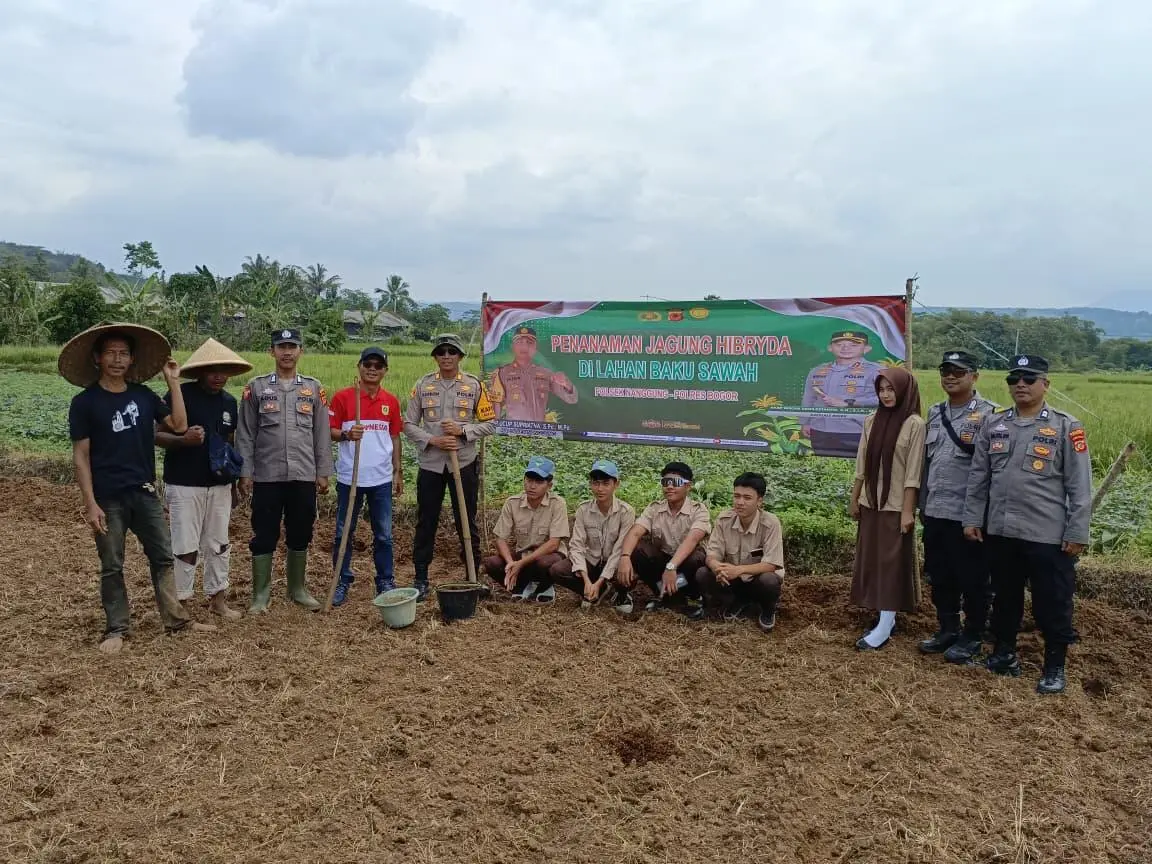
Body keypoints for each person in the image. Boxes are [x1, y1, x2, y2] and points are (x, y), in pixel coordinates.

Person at [62, 323, 215, 654]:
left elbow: (179, 425)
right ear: (97, 358)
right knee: (112, 564)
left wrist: (173, 382)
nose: (118, 360)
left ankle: (177, 620)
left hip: (144, 491)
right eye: (111, 353)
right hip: (108, 496)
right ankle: (116, 628)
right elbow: (81, 457)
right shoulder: (85, 403)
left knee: (162, 556)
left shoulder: (143, 396)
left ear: (132, 359)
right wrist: (90, 503)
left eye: (124, 354)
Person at [963, 355, 1092, 695]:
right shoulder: (996, 424)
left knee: (1052, 601)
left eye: (1029, 379)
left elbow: (1080, 486)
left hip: (1047, 535)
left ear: (1045, 384)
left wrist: (1077, 531)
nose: (1020, 384)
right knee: (1005, 598)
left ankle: (1054, 666)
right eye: (1014, 379)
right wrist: (973, 518)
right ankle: (1004, 654)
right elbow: (979, 477)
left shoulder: (1067, 427)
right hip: (1001, 531)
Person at [235, 328, 333, 613]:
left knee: (301, 531)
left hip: (303, 474)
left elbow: (321, 434)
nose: (287, 352)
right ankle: (261, 595)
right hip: (267, 475)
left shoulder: (313, 389)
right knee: (264, 533)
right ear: (272, 351)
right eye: (281, 347)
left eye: (292, 346)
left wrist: (323, 471)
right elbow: (246, 433)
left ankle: (297, 589)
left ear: (301, 350)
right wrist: (245, 471)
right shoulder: (256, 387)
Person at [155, 337, 253, 621]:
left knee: (219, 543)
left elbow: (230, 444)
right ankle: (181, 602)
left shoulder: (229, 402)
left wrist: (234, 484)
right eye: (212, 370)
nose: (219, 376)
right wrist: (183, 440)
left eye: (223, 371)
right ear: (199, 371)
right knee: (185, 545)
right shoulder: (179, 395)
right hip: (184, 484)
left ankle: (218, 599)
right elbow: (155, 435)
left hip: (219, 485)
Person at [918, 350, 998, 662]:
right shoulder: (935, 413)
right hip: (936, 510)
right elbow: (928, 463)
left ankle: (973, 634)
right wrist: (922, 505)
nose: (950, 377)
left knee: (974, 579)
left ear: (974, 377)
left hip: (968, 516)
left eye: (959, 372)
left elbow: (991, 470)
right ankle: (947, 628)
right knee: (940, 576)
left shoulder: (991, 415)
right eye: (945, 371)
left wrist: (977, 516)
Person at [404, 334, 496, 599]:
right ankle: (421, 577)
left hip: (464, 464)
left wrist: (463, 431)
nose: (446, 356)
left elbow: (490, 422)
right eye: (441, 352)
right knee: (426, 521)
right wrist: (432, 439)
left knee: (467, 520)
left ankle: (473, 576)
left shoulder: (474, 386)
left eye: (451, 352)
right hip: (431, 465)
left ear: (460, 357)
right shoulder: (423, 385)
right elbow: (408, 424)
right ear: (435, 356)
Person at [849, 366, 925, 650]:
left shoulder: (914, 424)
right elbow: (861, 463)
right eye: (881, 390)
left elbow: (913, 473)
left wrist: (908, 511)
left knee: (891, 564)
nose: (886, 395)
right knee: (872, 559)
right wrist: (855, 497)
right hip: (871, 502)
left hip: (895, 506)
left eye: (891, 389)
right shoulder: (872, 420)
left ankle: (885, 623)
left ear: (903, 390)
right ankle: (884, 616)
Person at [327, 347, 404, 606]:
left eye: (378, 365)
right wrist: (348, 435)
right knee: (343, 532)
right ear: (359, 366)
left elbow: (395, 436)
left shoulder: (390, 402)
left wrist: (398, 471)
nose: (372, 369)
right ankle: (341, 579)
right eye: (368, 364)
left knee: (383, 534)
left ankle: (385, 579)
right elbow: (330, 431)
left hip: (380, 479)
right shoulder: (343, 398)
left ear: (385, 371)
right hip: (350, 477)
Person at [617, 461, 711, 615]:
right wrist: (625, 556)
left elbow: (692, 540)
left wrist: (671, 567)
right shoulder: (654, 508)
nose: (670, 486)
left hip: (685, 566)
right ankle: (665, 594)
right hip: (663, 565)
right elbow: (635, 532)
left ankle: (690, 596)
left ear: (688, 486)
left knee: (696, 558)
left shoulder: (699, 510)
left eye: (676, 482)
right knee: (638, 549)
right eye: (665, 482)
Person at [695, 472, 785, 632]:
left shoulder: (771, 523)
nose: (740, 502)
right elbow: (712, 554)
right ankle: (737, 601)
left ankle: (768, 610)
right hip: (732, 579)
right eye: (736, 496)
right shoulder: (724, 519)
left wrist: (739, 570)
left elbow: (772, 564)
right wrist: (717, 567)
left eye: (747, 498)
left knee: (769, 580)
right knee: (703, 573)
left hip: (756, 580)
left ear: (760, 501)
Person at [548, 460, 637, 612]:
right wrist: (587, 580)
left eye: (605, 483)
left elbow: (619, 549)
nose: (600, 488)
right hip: (592, 562)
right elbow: (576, 545)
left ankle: (621, 593)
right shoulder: (583, 509)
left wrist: (601, 580)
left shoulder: (626, 512)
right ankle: (593, 591)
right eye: (596, 483)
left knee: (629, 570)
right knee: (558, 570)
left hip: (612, 563)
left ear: (616, 484)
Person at [482, 456, 570, 601]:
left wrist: (520, 564)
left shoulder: (558, 504)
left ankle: (544, 587)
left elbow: (554, 543)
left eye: (539, 481)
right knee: (492, 563)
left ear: (549, 485)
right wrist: (511, 563)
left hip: (547, 556)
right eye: (529, 480)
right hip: (523, 554)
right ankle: (520, 587)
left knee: (545, 564)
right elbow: (500, 538)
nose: (532, 486)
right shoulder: (512, 503)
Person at [801, 330, 884, 458]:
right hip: (820, 430)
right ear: (830, 348)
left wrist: (850, 403)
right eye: (839, 344)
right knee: (824, 468)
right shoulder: (817, 370)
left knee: (858, 469)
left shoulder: (877, 371)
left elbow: (886, 399)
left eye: (854, 345)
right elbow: (809, 398)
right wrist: (805, 422)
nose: (845, 348)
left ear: (867, 349)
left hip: (856, 431)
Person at [488, 325, 578, 422]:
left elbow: (572, 399)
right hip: (512, 433)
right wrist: (496, 430)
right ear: (512, 347)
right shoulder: (502, 373)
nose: (524, 346)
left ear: (535, 348)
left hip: (539, 432)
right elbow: (496, 404)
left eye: (529, 343)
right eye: (519, 342)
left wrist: (567, 384)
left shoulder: (546, 373)